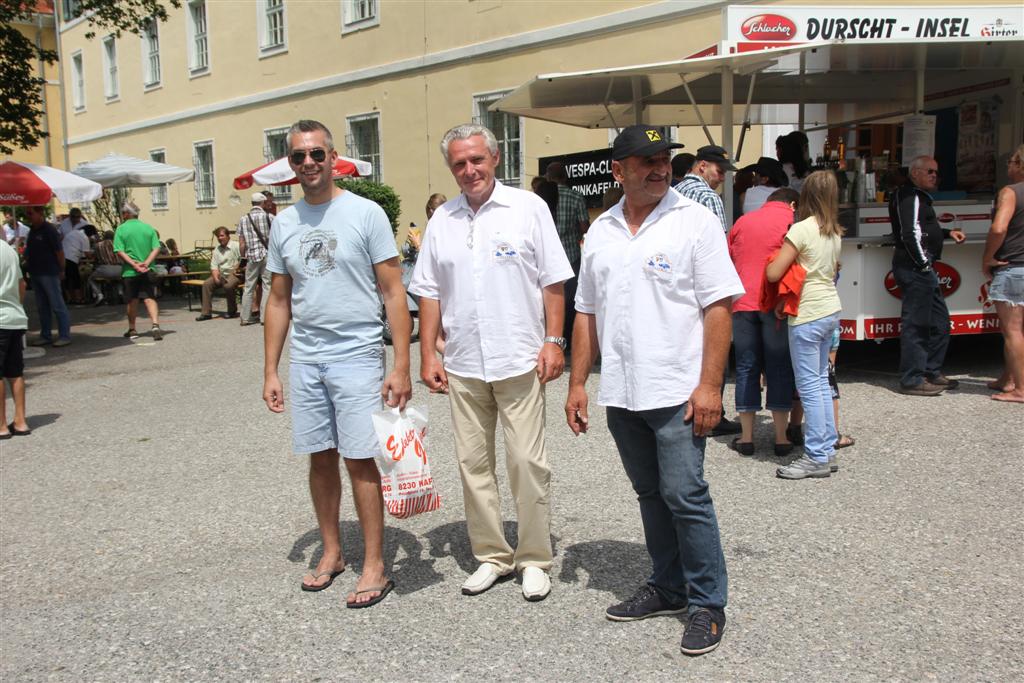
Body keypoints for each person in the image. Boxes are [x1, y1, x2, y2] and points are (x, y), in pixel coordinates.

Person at [565, 124, 742, 655]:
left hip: (677, 390)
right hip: (621, 391)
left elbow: (719, 307)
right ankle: (668, 586)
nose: (660, 167)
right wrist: (577, 383)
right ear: (618, 171)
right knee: (649, 495)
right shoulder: (602, 230)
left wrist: (710, 386)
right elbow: (586, 312)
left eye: (664, 157)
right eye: (646, 160)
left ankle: (708, 602)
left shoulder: (694, 222)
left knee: (685, 495)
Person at [410, 123, 572, 603]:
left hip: (519, 356)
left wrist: (554, 339)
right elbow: (430, 291)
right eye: (459, 163)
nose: (469, 170)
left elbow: (553, 281)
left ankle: (535, 558)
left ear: (495, 158)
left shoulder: (528, 208)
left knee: (526, 461)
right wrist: (426, 354)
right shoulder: (443, 220)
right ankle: (492, 555)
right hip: (462, 362)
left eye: (476, 160)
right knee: (472, 464)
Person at [263, 119, 412, 608]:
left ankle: (375, 564)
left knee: (359, 457)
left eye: (316, 154)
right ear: (291, 164)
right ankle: (332, 553)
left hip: (357, 353)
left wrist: (401, 365)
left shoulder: (364, 213)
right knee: (319, 456)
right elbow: (279, 300)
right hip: (308, 356)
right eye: (298, 157)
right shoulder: (284, 223)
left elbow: (394, 292)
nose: (308, 163)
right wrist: (270, 370)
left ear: (333, 157)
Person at [766, 171, 844, 479]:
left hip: (807, 312)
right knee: (822, 382)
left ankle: (815, 456)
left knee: (810, 385)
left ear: (805, 196)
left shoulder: (801, 230)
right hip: (830, 310)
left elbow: (774, 272)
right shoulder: (834, 231)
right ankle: (826, 449)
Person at [674, 145, 741, 436]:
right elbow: (720, 246)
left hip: (677, 280)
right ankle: (713, 411)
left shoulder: (673, 193)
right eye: (719, 169)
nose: (723, 176)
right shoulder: (706, 196)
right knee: (714, 343)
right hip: (703, 280)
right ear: (702, 166)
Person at [727, 187, 799, 456]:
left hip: (741, 302)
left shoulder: (743, 222)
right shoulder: (792, 222)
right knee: (779, 366)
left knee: (746, 367)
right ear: (792, 203)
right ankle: (781, 438)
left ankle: (747, 438)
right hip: (775, 303)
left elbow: (729, 258)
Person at [888, 155, 966, 396]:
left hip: (922, 267)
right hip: (915, 268)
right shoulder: (908, 196)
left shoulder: (918, 197)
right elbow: (910, 232)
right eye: (929, 171)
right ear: (915, 173)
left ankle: (930, 371)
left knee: (940, 322)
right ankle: (912, 378)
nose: (934, 175)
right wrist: (923, 265)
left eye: (936, 172)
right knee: (917, 324)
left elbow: (923, 230)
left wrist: (945, 232)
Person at [981, 144, 1024, 403]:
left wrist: (988, 258)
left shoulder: (1010, 192)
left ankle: (1021, 388)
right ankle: (1008, 378)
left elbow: (998, 228)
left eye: (1011, 162)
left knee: (1012, 331)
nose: (1008, 166)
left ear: (1019, 164)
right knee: (1018, 330)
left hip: (1013, 265)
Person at [545, 161, 590, 352]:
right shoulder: (576, 196)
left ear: (548, 177)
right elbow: (584, 226)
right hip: (570, 255)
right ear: (565, 176)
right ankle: (568, 342)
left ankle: (550, 338)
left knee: (548, 299)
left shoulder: (540, 196)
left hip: (547, 257)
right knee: (572, 300)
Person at [113, 201, 163, 341]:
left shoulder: (121, 229)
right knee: (149, 298)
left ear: (127, 214)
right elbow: (156, 247)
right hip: (148, 269)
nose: (122, 215)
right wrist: (146, 262)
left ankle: (132, 329)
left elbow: (119, 250)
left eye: (123, 213)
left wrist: (134, 265)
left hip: (130, 271)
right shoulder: (148, 228)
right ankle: (155, 324)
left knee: (132, 300)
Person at [22, 206, 71, 347]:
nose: (28, 216)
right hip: (36, 272)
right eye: (27, 214)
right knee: (42, 306)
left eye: (31, 213)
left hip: (49, 272)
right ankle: (46, 335)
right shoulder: (32, 230)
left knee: (57, 304)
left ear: (40, 213)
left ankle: (64, 335)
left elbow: (59, 252)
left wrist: (61, 269)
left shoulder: (49, 230)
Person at [0, 238, 30, 438]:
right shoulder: (8, 249)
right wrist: (17, 306)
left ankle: (1, 424)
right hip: (14, 317)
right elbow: (22, 283)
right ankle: (20, 421)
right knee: (15, 371)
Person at [674, 145, 736, 232]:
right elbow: (717, 240)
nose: (723, 178)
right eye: (720, 172)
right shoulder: (709, 197)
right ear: (703, 166)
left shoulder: (674, 190)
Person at [236, 192, 274, 326]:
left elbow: (241, 243)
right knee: (267, 285)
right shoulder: (269, 217)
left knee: (248, 287)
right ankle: (264, 317)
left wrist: (243, 258)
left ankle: (245, 317)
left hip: (251, 256)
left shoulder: (243, 219)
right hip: (267, 255)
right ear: (263, 203)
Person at [195, 227, 241, 321]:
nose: (220, 238)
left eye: (222, 235)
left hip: (235, 274)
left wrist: (236, 269)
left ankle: (232, 311)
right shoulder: (217, 249)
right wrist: (216, 278)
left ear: (228, 236)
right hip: (222, 274)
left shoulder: (236, 246)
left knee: (228, 286)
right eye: (218, 236)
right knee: (207, 284)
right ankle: (206, 313)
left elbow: (243, 260)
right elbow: (214, 266)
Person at [61, 219, 92, 304]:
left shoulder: (73, 233)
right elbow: (87, 253)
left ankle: (69, 298)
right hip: (71, 258)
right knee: (76, 279)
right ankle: (79, 298)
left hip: (63, 256)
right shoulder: (84, 237)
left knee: (67, 279)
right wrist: (93, 256)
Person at [88, 230, 122, 305]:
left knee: (91, 279)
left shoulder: (98, 245)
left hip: (105, 269)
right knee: (120, 279)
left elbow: (91, 255)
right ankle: (120, 292)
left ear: (104, 237)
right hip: (119, 268)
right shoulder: (118, 244)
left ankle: (99, 295)